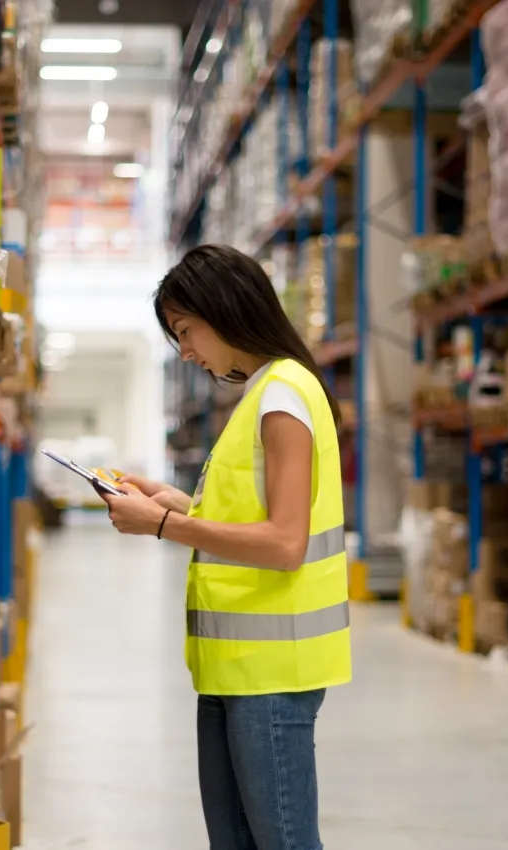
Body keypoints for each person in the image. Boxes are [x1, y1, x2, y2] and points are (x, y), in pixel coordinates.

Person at [102, 244, 352, 850]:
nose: (185, 350)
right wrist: (175, 504)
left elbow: (286, 543)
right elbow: (255, 517)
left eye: (186, 330)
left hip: (272, 671)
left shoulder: (284, 396)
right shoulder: (261, 393)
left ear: (227, 308)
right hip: (232, 667)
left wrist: (161, 528)